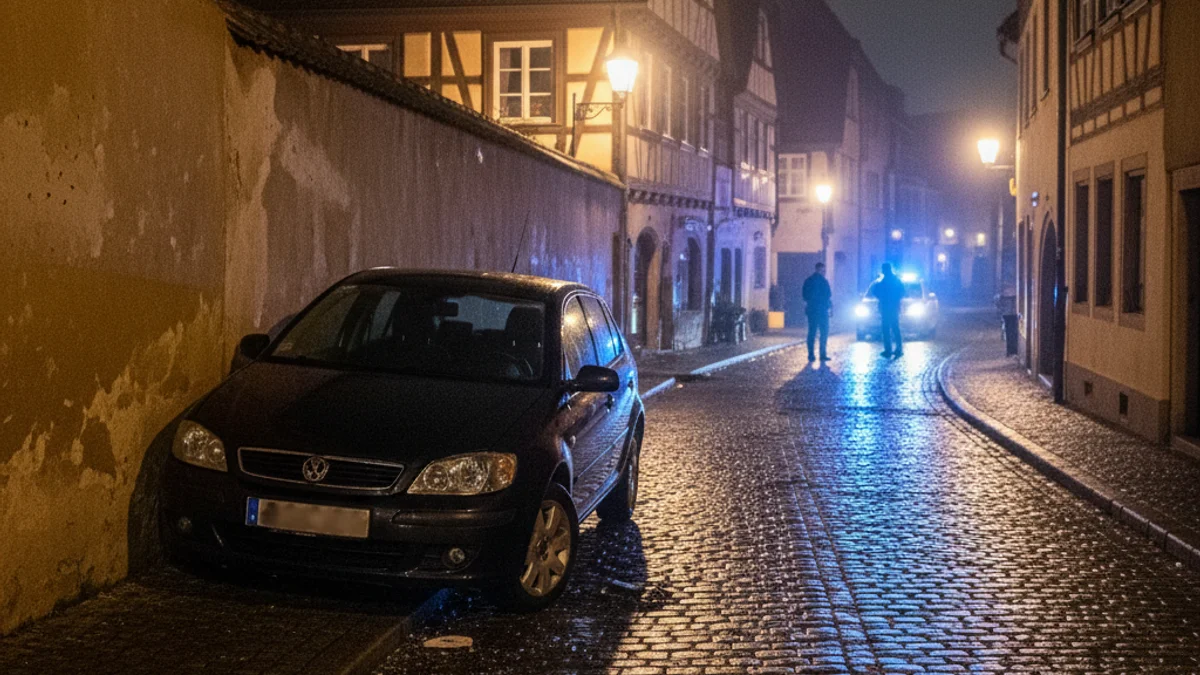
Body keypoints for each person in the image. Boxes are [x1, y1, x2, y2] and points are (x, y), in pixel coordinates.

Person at [871, 263, 905, 358]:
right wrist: (896, 299)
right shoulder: (896, 280)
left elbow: (875, 291)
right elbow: (902, 292)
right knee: (895, 328)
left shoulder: (883, 281)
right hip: (893, 306)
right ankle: (898, 349)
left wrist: (882, 299)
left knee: (886, 329)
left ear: (884, 270)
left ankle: (888, 349)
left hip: (886, 307)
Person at [801, 262, 832, 362]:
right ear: (820, 270)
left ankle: (811, 355)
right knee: (824, 332)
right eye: (823, 270)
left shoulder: (808, 280)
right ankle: (822, 354)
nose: (824, 272)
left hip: (812, 309)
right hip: (822, 310)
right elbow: (828, 295)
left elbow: (804, 295)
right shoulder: (824, 281)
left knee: (812, 332)